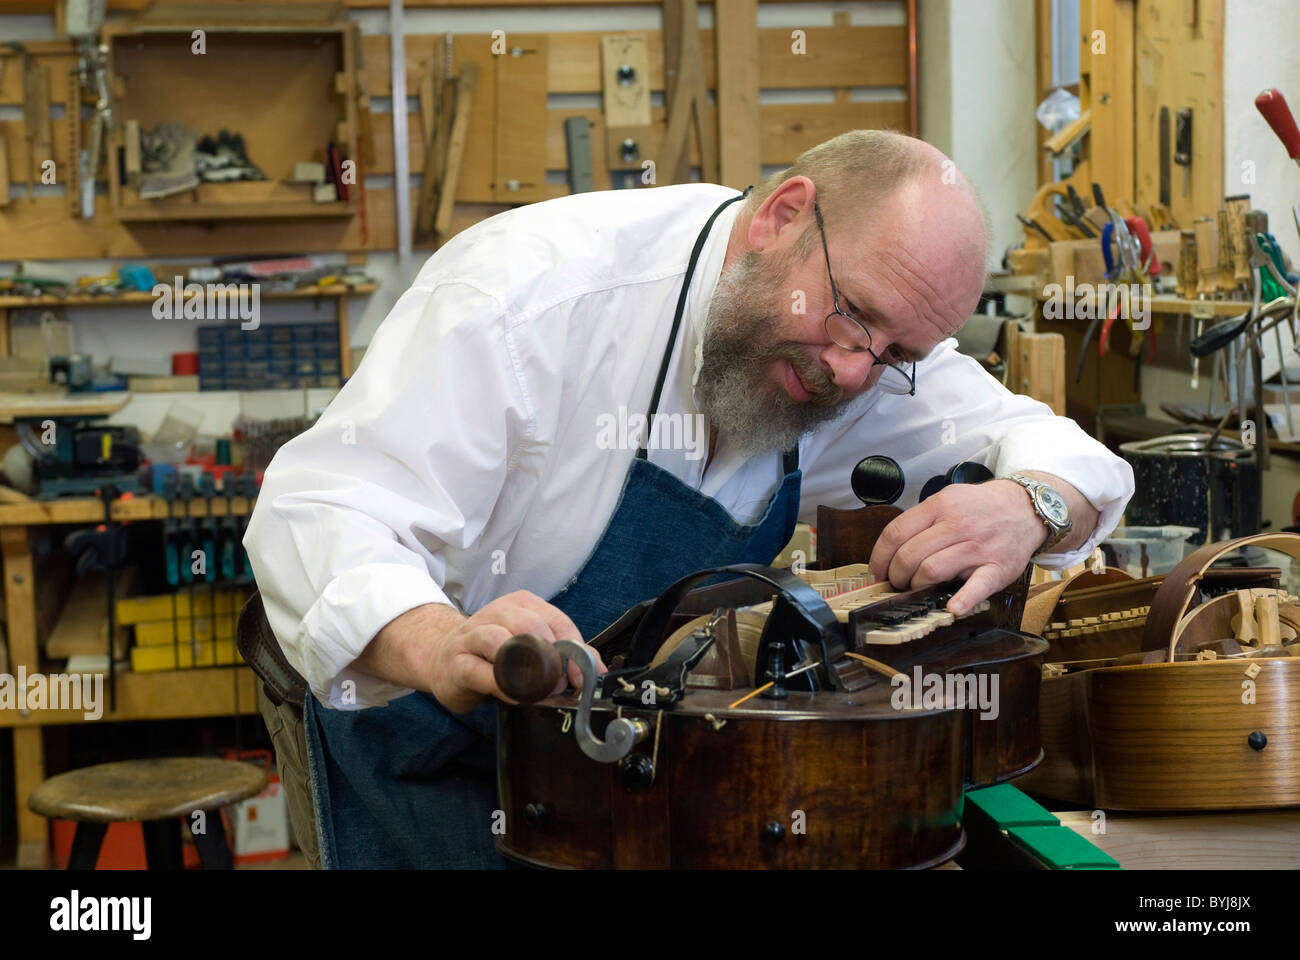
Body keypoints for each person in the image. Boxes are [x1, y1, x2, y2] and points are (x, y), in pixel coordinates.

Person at [244, 130, 1134, 868]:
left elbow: (1069, 457)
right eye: (852, 317)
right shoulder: (532, 295)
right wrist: (436, 641)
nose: (850, 371)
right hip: (411, 721)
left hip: (603, 759)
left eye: (895, 356)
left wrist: (1033, 507)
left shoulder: (867, 350)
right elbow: (323, 508)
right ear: (783, 216)